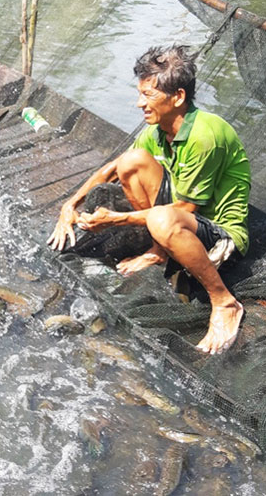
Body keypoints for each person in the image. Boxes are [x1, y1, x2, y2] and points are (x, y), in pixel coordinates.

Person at [47, 45, 250, 354]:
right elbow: (113, 168)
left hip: (220, 236)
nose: (139, 103)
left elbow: (183, 209)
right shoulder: (159, 129)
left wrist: (114, 220)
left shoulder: (204, 136)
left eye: (148, 96)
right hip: (177, 221)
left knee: (161, 218)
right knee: (131, 161)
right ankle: (160, 251)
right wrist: (69, 205)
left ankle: (224, 302)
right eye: (140, 93)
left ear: (178, 97)